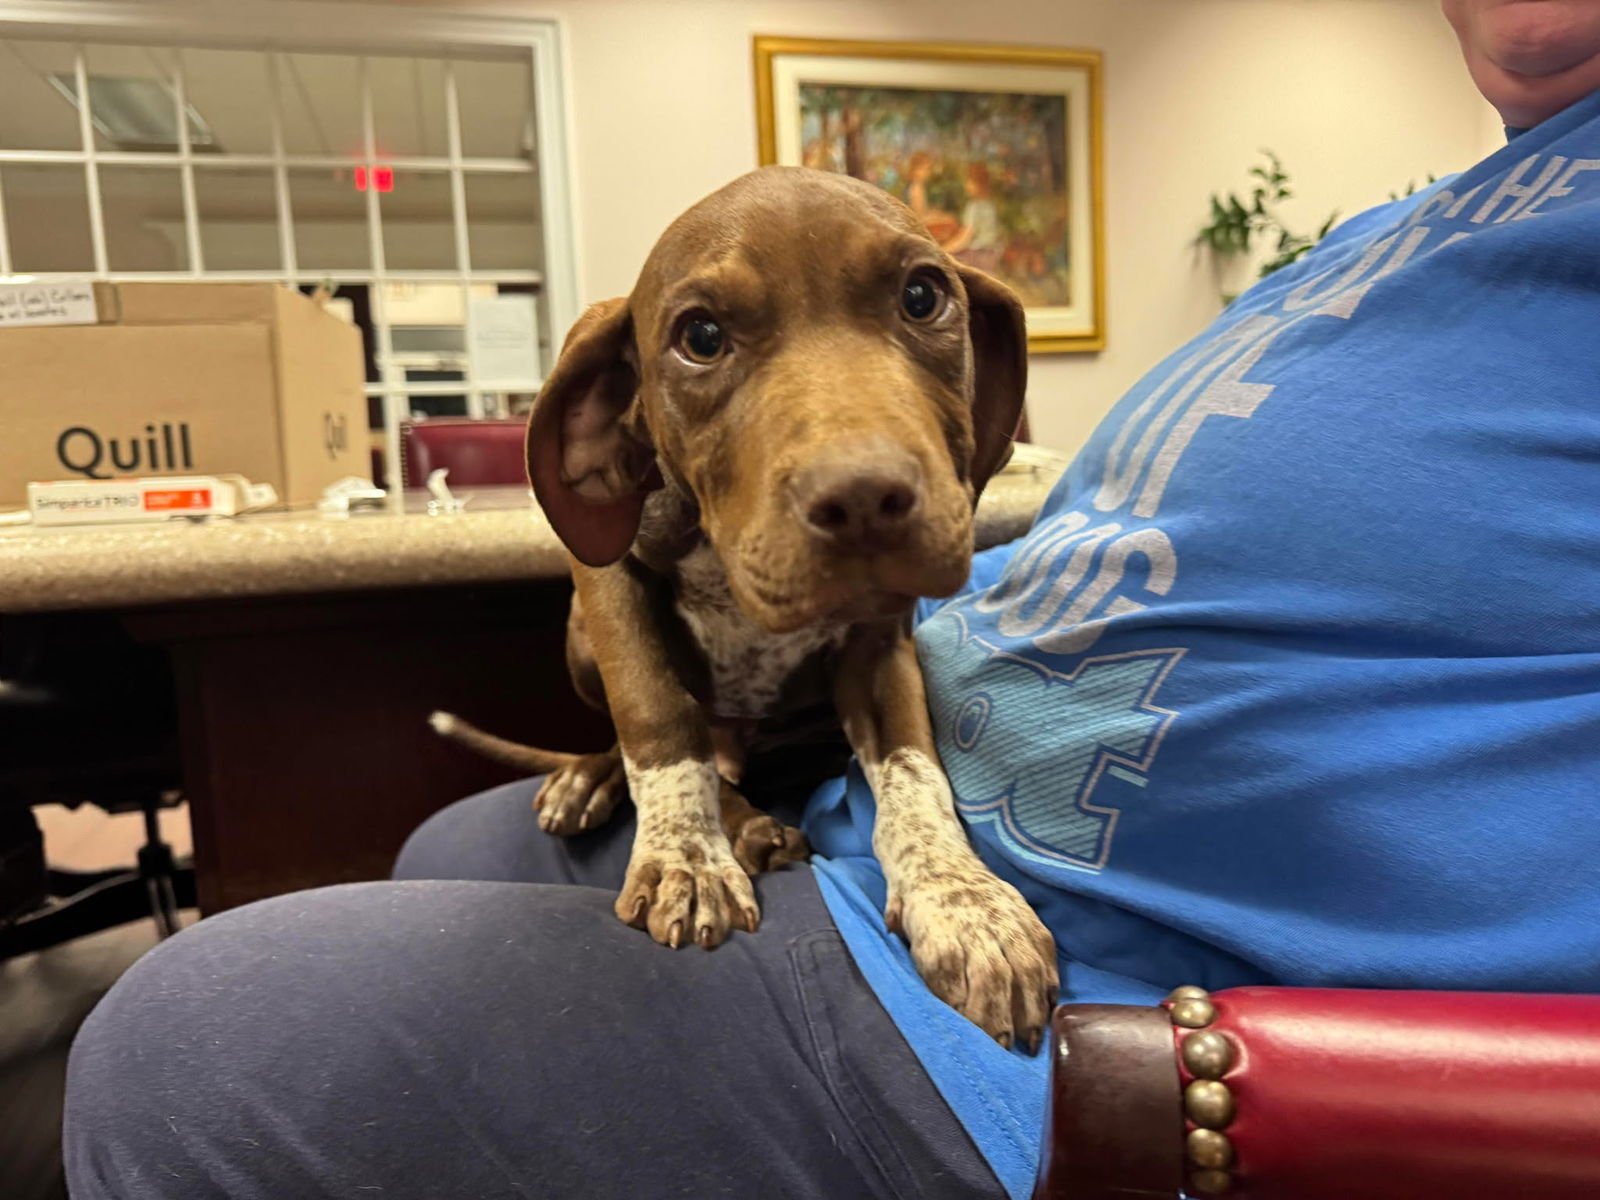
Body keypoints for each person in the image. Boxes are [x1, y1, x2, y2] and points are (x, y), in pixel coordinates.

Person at [64, 3, 1600, 1196]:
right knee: (444, 845)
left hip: (1115, 1023)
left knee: (183, 1045)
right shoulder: (1398, 222)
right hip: (836, 804)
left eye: (919, 300)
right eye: (710, 339)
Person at [940, 161, 1006, 273]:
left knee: (945, 265)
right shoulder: (989, 205)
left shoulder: (974, 207)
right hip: (991, 255)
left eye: (969, 182)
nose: (966, 185)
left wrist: (942, 250)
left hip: (977, 256)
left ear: (980, 185)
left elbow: (965, 238)